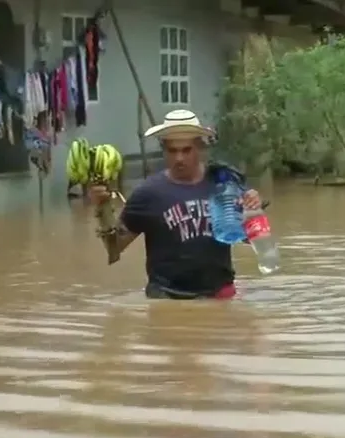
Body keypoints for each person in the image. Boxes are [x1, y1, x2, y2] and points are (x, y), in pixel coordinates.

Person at [88, 109, 263, 300]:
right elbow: (114, 251)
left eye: (186, 150)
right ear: (164, 150)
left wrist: (253, 210)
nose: (179, 158)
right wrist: (102, 209)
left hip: (219, 295)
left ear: (200, 147)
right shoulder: (148, 193)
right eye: (172, 151)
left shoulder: (223, 184)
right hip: (166, 298)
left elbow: (251, 239)